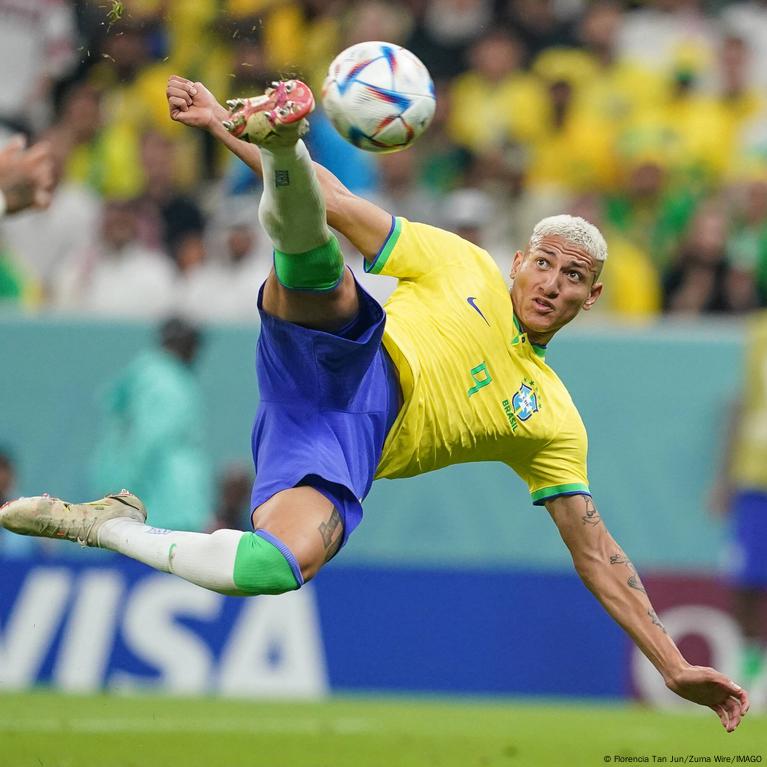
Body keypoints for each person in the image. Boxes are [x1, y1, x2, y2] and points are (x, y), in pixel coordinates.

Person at [0, 75, 750, 731]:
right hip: (348, 356)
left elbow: (597, 553)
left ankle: (107, 524)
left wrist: (670, 661)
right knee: (320, 264)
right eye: (544, 262)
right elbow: (339, 202)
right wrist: (226, 130)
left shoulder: (551, 419)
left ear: (590, 297)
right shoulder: (461, 262)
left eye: (573, 275)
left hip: (334, 447)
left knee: (271, 568)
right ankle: (286, 138)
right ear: (518, 262)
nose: (553, 281)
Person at [88, 316, 213, 532]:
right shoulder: (164, 383)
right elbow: (149, 441)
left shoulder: (157, 376)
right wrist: (124, 495)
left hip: (164, 505)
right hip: (164, 506)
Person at [711, 311, 767, 702]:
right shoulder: (757, 331)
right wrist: (724, 477)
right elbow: (741, 402)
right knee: (746, 581)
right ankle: (750, 671)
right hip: (754, 478)